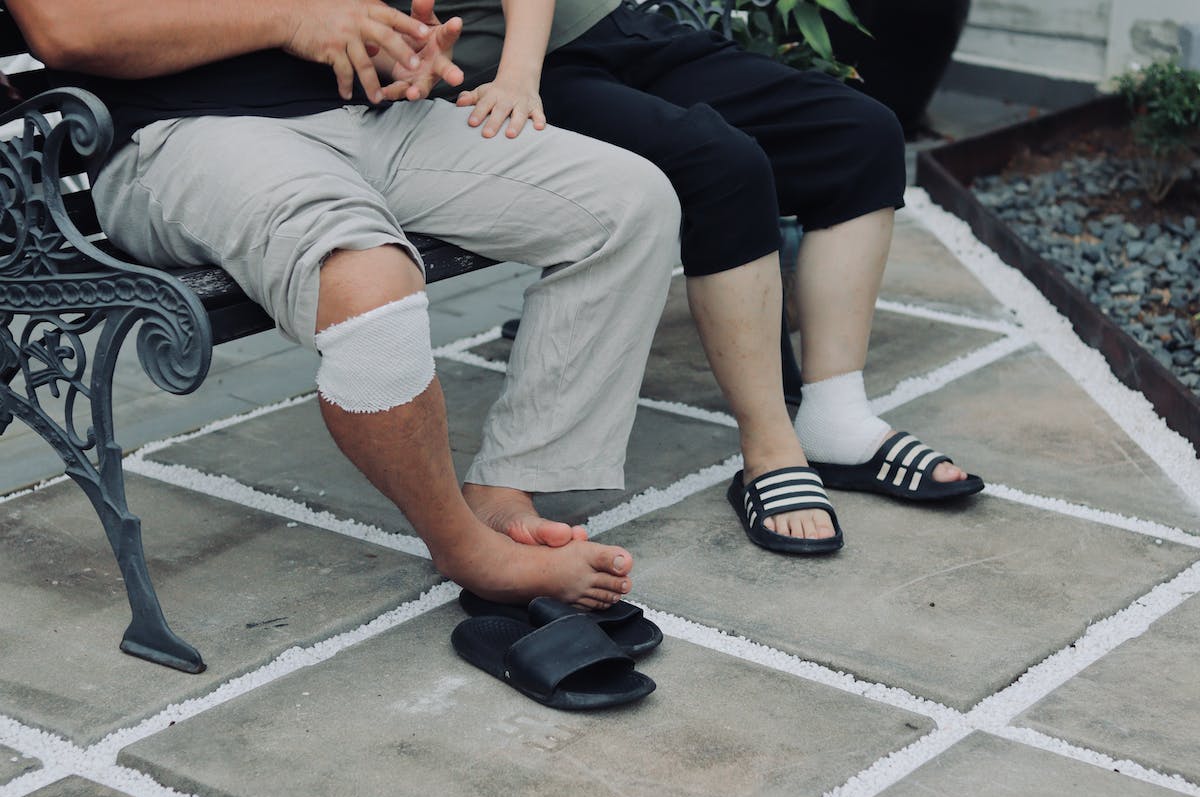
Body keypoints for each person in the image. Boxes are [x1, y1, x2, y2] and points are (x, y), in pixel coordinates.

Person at [6, 0, 686, 607]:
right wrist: (293, 17)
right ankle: (466, 549)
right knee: (369, 287)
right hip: (184, 134)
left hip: (370, 114)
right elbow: (67, 26)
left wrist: (399, 44)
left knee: (627, 203)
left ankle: (508, 487)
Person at [435, 0, 984, 554]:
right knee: (721, 164)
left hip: (605, 25)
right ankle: (770, 449)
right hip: (489, 72)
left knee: (861, 133)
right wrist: (518, 77)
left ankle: (836, 414)